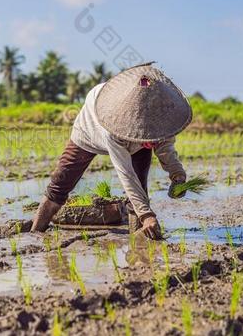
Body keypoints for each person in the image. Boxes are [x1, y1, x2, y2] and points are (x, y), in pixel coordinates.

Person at [31, 62, 191, 240]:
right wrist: (147, 215)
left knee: (139, 194)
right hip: (89, 131)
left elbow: (166, 146)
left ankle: (138, 240)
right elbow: (126, 174)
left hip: (133, 140)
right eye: (149, 136)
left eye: (154, 136)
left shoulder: (161, 113)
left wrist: (177, 176)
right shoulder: (113, 125)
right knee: (59, 184)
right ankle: (35, 233)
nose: (154, 142)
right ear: (136, 124)